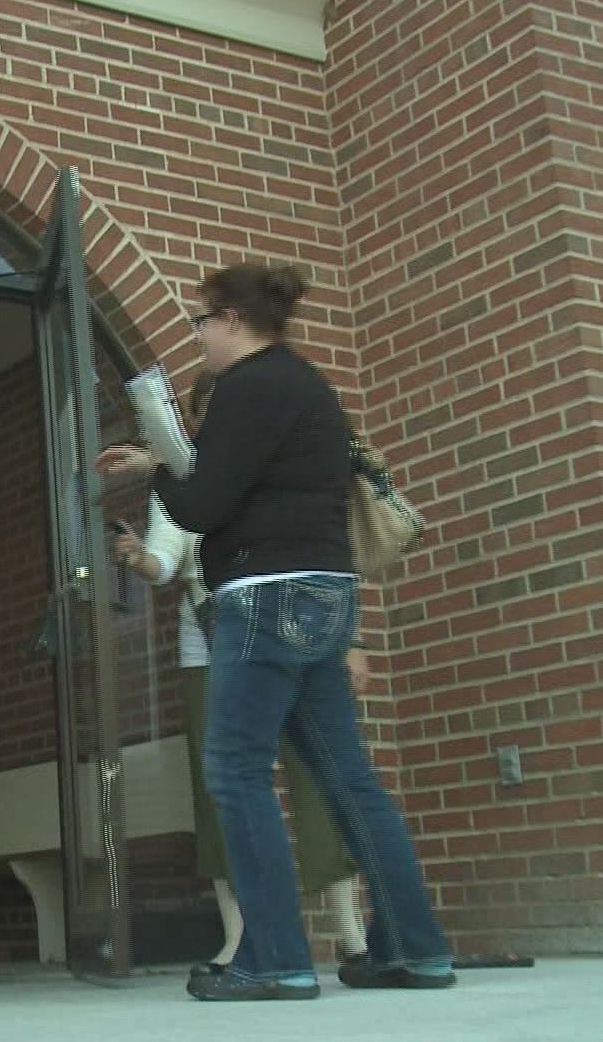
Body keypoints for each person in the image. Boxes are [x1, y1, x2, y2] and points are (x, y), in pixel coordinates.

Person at [97, 263, 454, 1001]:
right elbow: (242, 479)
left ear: (232, 319)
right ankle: (414, 950)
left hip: (263, 596)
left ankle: (275, 959)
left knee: (234, 770)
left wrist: (159, 475)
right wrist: (166, 460)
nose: (198, 334)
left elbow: (202, 507)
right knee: (346, 776)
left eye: (202, 321)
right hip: (327, 592)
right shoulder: (305, 384)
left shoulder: (246, 389)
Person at [114, 378, 369, 980]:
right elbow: (164, 554)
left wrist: (350, 641)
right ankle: (240, 937)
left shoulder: (271, 465)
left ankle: (350, 927)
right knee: (219, 789)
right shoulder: (180, 480)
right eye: (207, 414)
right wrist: (139, 558)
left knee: (313, 771)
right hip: (210, 647)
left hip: (284, 637)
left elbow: (316, 552)